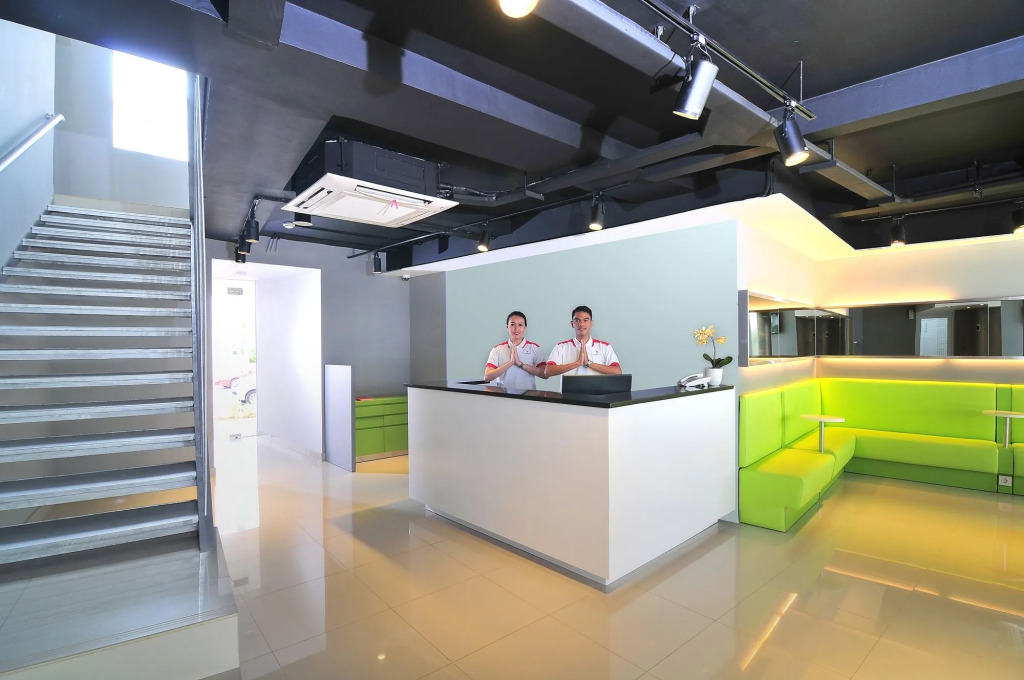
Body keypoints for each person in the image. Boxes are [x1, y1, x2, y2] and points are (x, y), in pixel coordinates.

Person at [544, 305, 622, 378]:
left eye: (585, 320)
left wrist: (589, 363)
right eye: (577, 320)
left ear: (591, 323)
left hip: (596, 388)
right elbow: (547, 371)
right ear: (572, 324)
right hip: (569, 389)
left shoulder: (604, 347)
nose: (581, 324)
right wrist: (577, 363)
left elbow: (617, 372)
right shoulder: (561, 347)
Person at [484, 311, 546, 389]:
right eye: (512, 324)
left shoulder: (534, 348)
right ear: (507, 327)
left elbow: (545, 374)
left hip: (528, 395)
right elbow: (487, 377)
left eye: (520, 325)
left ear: (525, 328)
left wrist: (520, 364)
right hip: (503, 394)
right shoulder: (497, 349)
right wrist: (510, 363)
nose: (516, 329)